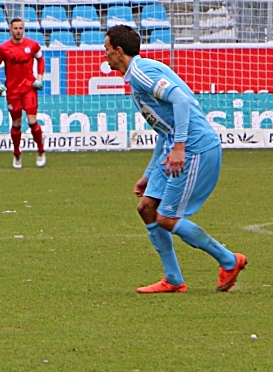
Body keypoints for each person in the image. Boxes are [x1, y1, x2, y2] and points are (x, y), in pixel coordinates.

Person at [103, 24, 247, 295]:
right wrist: (148, 174)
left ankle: (229, 260)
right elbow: (165, 128)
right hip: (177, 146)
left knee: (167, 218)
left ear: (119, 52)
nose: (105, 55)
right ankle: (173, 279)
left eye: (107, 50)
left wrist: (180, 146)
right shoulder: (139, 74)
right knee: (147, 208)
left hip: (195, 148)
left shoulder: (141, 74)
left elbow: (180, 100)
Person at [0, 18, 46, 169]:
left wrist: (40, 77)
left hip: (29, 89)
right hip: (13, 91)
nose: (18, 31)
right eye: (15, 28)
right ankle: (17, 154)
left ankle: (41, 151)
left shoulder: (32, 45)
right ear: (10, 30)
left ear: (23, 29)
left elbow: (41, 60)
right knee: (16, 124)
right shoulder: (4, 48)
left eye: (20, 28)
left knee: (32, 121)